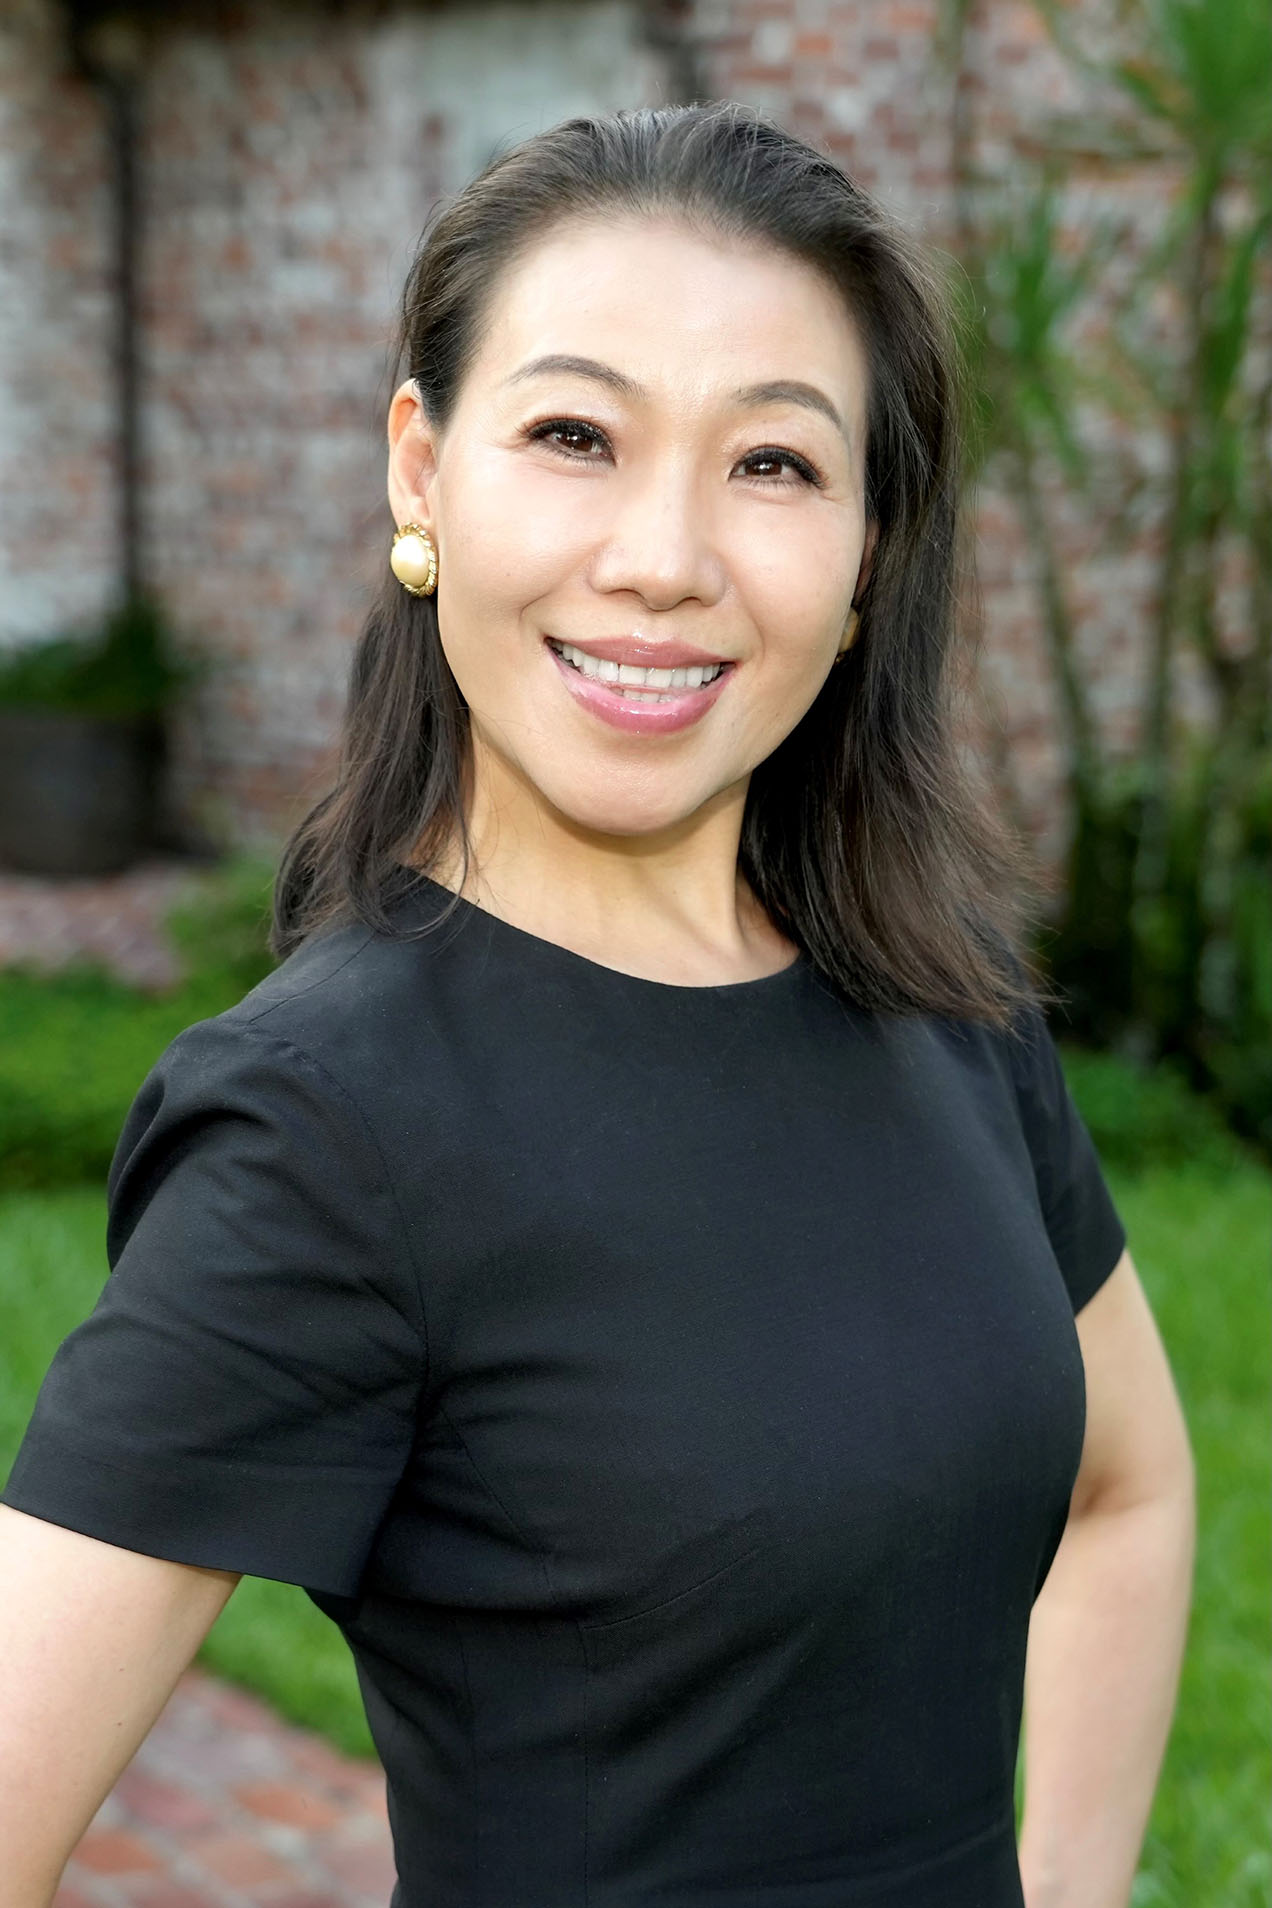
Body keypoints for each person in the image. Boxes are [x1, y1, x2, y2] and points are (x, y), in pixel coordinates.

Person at [0, 101, 1195, 1908]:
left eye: (774, 463)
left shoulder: (941, 996)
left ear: (871, 549)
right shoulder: (330, 1126)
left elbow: (1127, 1490)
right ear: (422, 472)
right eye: (575, 436)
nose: (664, 556)